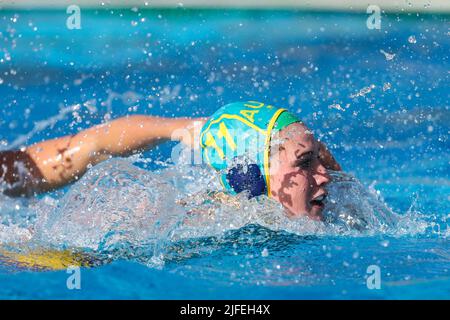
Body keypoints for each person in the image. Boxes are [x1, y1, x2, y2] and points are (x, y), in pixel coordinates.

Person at [0, 100, 340, 221]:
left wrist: (180, 128)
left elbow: (92, 145)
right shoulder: (172, 224)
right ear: (249, 173)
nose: (325, 175)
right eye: (307, 161)